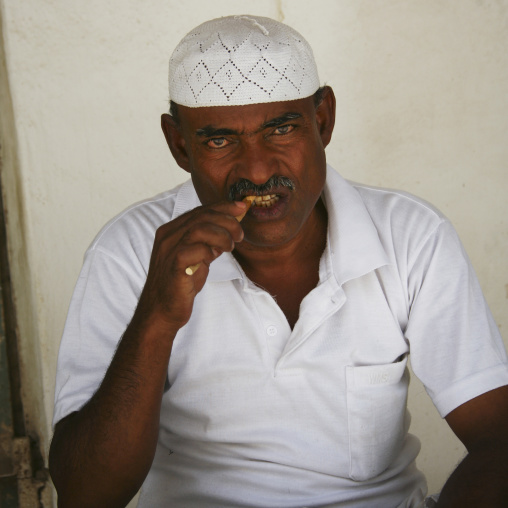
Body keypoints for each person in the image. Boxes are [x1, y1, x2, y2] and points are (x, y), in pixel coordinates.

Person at [48, 15, 508, 508]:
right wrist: (157, 317)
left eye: (282, 129)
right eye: (219, 141)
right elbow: (85, 494)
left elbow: (499, 441)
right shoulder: (131, 251)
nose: (259, 170)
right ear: (179, 144)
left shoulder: (410, 236)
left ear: (324, 121)